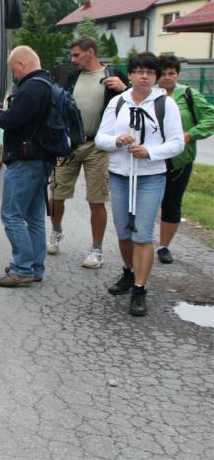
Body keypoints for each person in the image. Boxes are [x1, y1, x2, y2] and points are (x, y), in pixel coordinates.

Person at [95, 52, 184, 316]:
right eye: (139, 71)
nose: (144, 76)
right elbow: (101, 138)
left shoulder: (166, 104)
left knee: (142, 233)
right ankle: (129, 272)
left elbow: (177, 143)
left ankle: (139, 288)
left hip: (151, 177)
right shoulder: (118, 102)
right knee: (124, 231)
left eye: (150, 72)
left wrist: (150, 152)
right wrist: (116, 141)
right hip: (120, 175)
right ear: (131, 74)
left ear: (155, 77)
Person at [47, 37, 128, 267]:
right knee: (56, 194)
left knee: (96, 199)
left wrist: (124, 89)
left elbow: (134, 104)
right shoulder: (71, 77)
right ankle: (56, 231)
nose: (72, 59)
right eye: (71, 55)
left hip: (98, 146)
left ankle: (96, 249)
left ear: (90, 52)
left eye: (77, 55)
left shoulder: (113, 75)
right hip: (69, 144)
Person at [0, 46, 54, 287]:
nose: (14, 75)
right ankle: (35, 266)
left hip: (25, 160)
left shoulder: (31, 88)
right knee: (34, 217)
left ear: (23, 64)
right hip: (42, 159)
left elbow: (13, 120)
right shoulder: (48, 84)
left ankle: (21, 268)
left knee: (12, 214)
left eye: (13, 69)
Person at [155, 55, 214, 264]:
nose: (167, 77)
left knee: (171, 203)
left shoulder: (189, 95)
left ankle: (163, 246)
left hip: (179, 160)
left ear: (177, 74)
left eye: (171, 73)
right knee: (145, 203)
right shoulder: (150, 94)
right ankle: (140, 242)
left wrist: (191, 134)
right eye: (163, 73)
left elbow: (210, 117)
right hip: (151, 159)